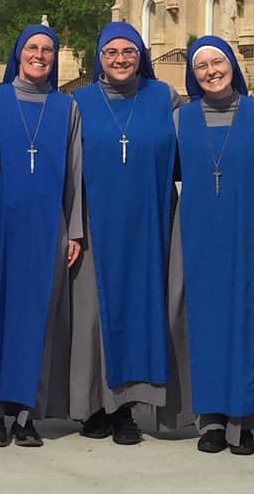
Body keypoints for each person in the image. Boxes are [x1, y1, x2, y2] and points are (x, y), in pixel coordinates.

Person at [162, 36, 254, 456]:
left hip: (247, 233)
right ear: (192, 75)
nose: (211, 71)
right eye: (202, 66)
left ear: (232, 65)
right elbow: (168, 170)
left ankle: (242, 420)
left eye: (218, 62)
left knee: (245, 322)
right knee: (203, 325)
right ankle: (210, 420)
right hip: (197, 236)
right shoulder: (180, 119)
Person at [70, 22, 179, 444]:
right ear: (99, 57)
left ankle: (127, 409)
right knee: (94, 317)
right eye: (111, 52)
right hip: (95, 225)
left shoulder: (163, 97)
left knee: (140, 311)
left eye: (128, 51)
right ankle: (94, 407)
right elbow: (68, 167)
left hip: (149, 223)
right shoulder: (79, 102)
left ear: (141, 56)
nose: (120, 59)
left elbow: (186, 154)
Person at [0, 24, 83, 448]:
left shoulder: (67, 107)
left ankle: (25, 414)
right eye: (32, 48)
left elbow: (75, 173)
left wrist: (74, 229)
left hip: (47, 227)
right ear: (18, 54)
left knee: (38, 318)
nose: (39, 55)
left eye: (47, 50)